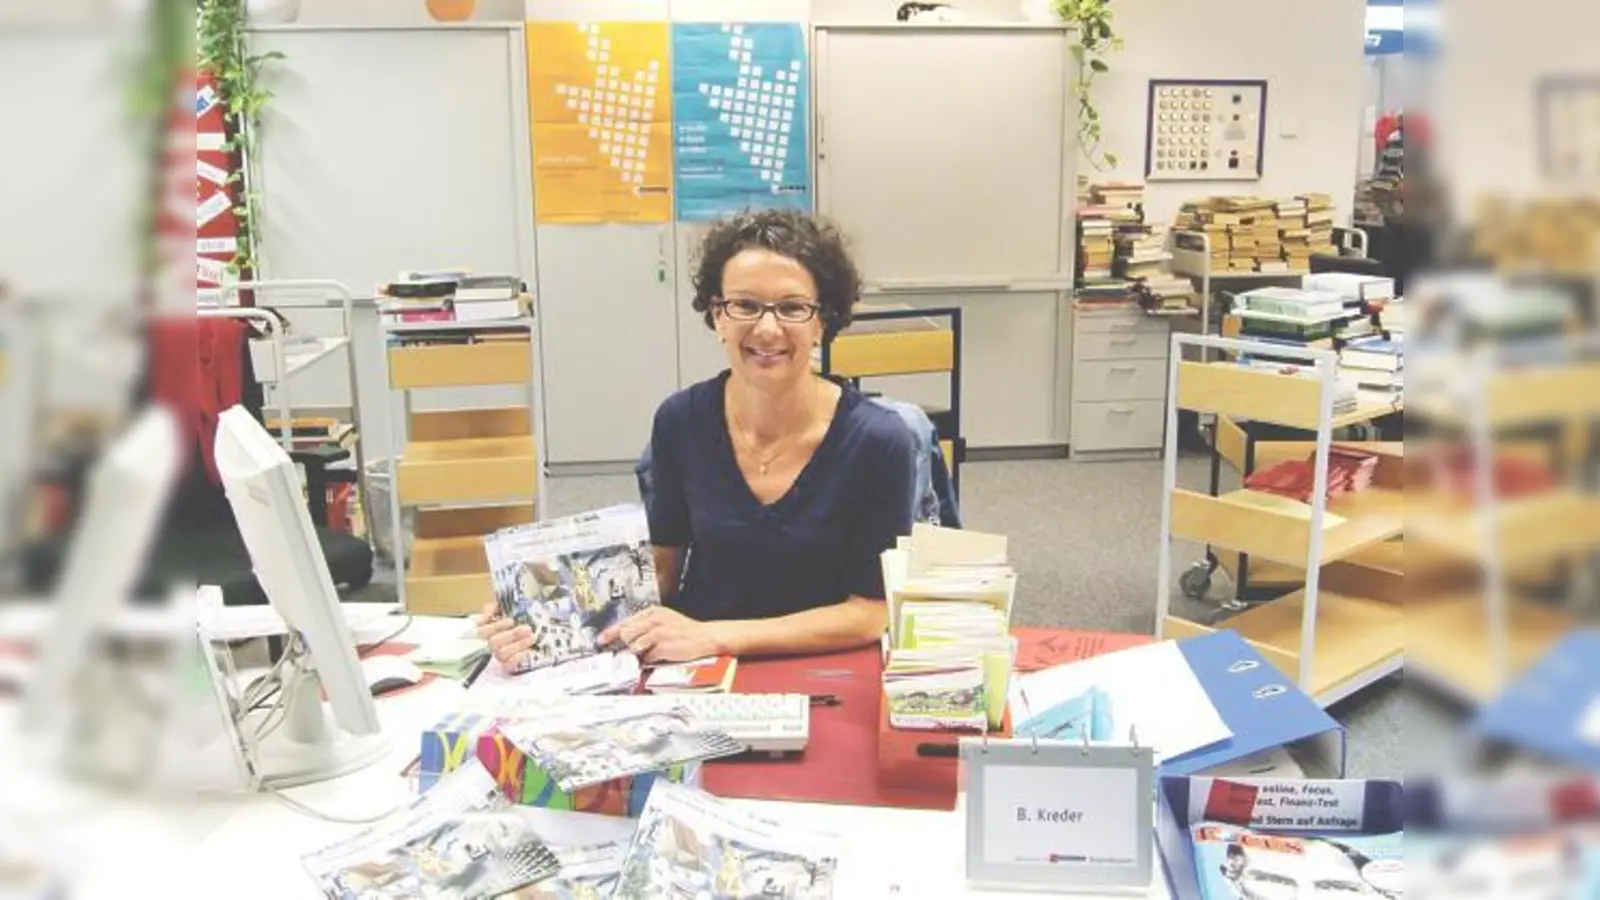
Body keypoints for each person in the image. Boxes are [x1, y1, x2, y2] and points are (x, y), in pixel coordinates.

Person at [479, 210, 917, 666]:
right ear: (717, 315)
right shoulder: (681, 421)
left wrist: (718, 637)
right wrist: (536, 611)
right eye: (745, 305)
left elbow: (871, 613)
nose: (767, 329)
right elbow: (658, 575)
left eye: (792, 308)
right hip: (694, 667)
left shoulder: (877, 441)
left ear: (822, 321)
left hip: (820, 665)